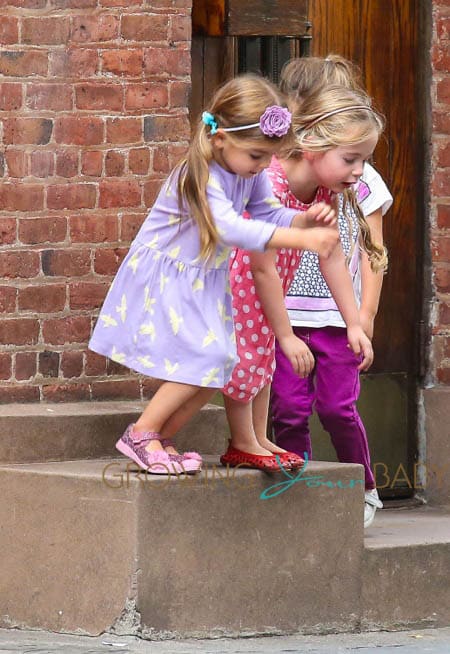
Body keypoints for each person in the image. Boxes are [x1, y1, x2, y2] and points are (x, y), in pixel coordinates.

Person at [89, 73, 339, 475]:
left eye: (266, 157)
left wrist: (303, 218)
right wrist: (300, 240)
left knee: (220, 361)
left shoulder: (248, 172)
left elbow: (265, 212)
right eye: (256, 155)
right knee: (205, 355)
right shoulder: (200, 174)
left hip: (203, 278)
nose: (261, 166)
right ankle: (141, 432)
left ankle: (159, 440)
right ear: (221, 138)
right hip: (170, 277)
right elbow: (229, 228)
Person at [221, 83, 379, 476]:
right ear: (312, 146)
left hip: (272, 283)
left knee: (263, 361)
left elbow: (332, 254)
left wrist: (353, 322)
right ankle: (243, 440)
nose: (359, 171)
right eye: (351, 159)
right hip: (245, 282)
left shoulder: (326, 191)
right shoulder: (271, 185)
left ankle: (257, 438)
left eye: (364, 160)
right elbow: (261, 267)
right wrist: (289, 334)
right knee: (251, 358)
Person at [271, 57, 393, 528]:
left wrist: (363, 317)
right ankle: (295, 484)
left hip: (336, 319)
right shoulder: (290, 180)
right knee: (288, 406)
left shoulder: (355, 181)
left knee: (338, 407)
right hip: (289, 316)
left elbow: (368, 251)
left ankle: (363, 487)